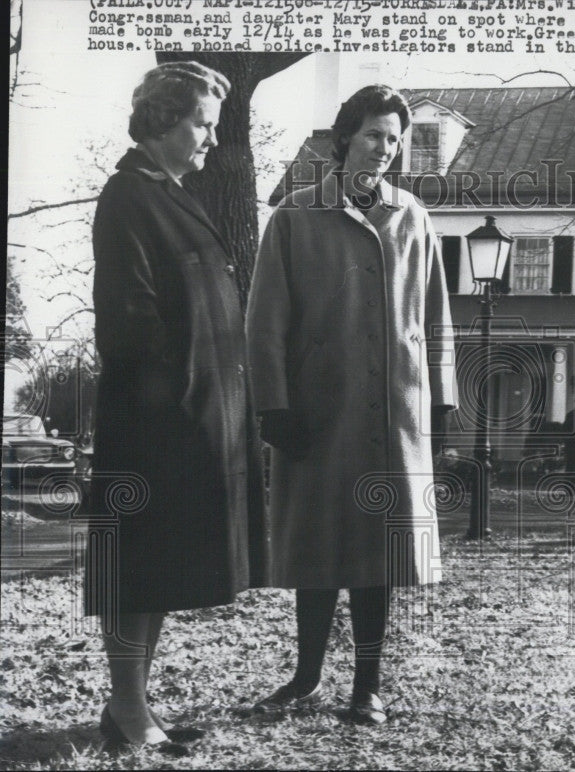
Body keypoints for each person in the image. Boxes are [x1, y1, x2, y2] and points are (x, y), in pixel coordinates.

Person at [245, 84, 456, 724]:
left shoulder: (414, 217)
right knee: (317, 545)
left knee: (378, 552)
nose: (384, 150)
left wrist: (440, 402)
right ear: (343, 138)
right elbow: (264, 323)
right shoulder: (293, 217)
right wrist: (273, 405)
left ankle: (367, 687)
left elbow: (437, 316)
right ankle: (307, 677)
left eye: (395, 139)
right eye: (373, 135)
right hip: (317, 412)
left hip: (396, 414)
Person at [86, 61, 267, 755]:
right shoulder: (127, 196)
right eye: (200, 123)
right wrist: (179, 402)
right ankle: (128, 711)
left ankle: (131, 704)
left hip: (195, 416)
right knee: (137, 565)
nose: (209, 140)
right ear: (162, 120)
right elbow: (129, 323)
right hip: (153, 422)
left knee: (157, 568)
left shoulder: (176, 195)